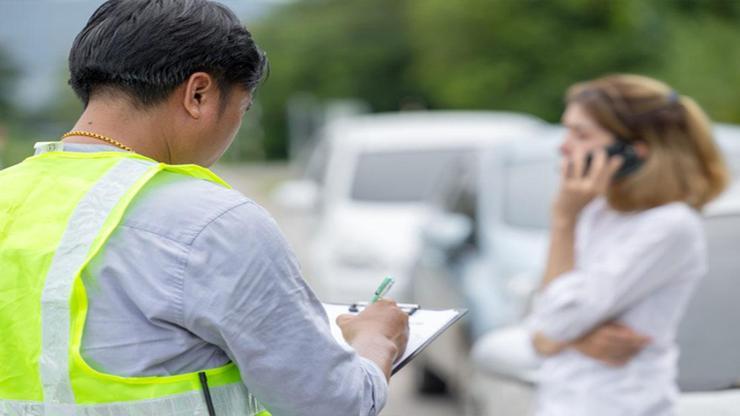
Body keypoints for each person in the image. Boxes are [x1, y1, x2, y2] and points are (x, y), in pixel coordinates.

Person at [0, 1, 408, 415]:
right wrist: (376, 341)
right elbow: (332, 405)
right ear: (199, 94)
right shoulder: (211, 223)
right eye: (242, 111)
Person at [474, 74, 729, 416]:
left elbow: (554, 323)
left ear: (633, 151)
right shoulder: (599, 212)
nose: (564, 146)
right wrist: (572, 338)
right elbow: (545, 318)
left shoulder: (669, 226)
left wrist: (563, 220)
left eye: (581, 134)